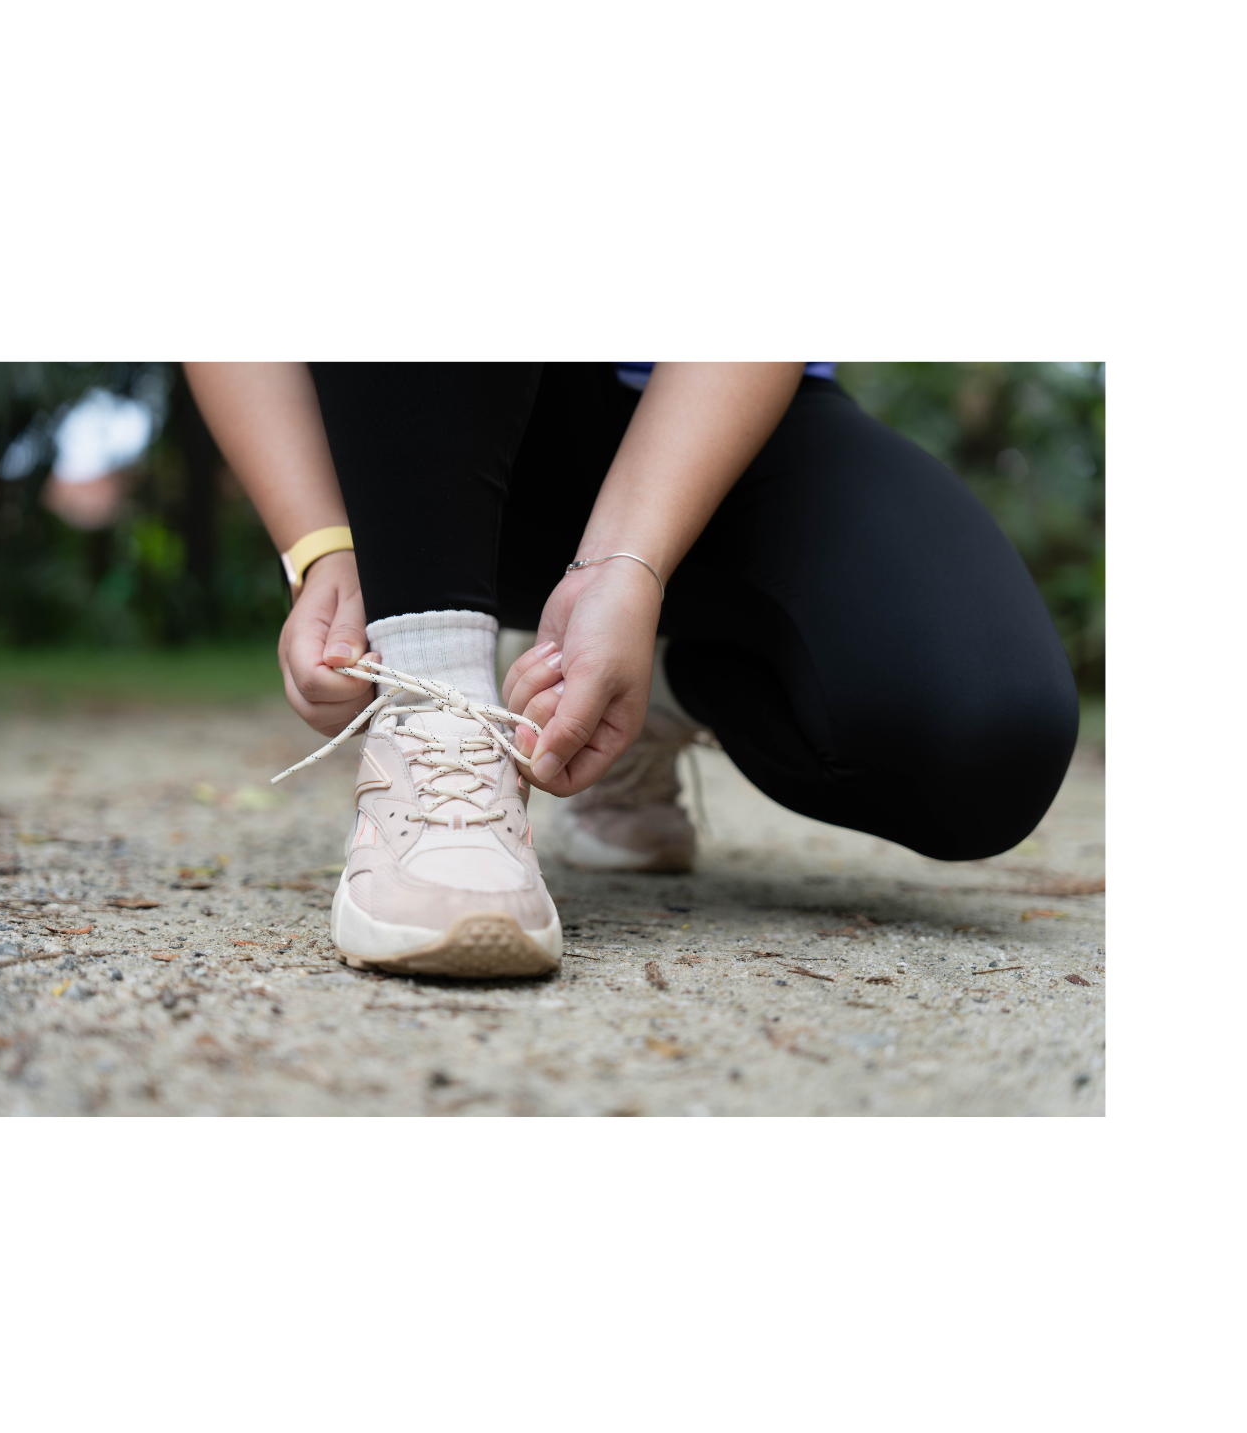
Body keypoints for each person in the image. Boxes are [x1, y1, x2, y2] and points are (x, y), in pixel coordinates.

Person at [182, 361, 1079, 979]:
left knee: (988, 735)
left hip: (714, 417)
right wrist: (327, 546)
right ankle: (440, 705)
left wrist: (628, 563)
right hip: (429, 433)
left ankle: (636, 694)